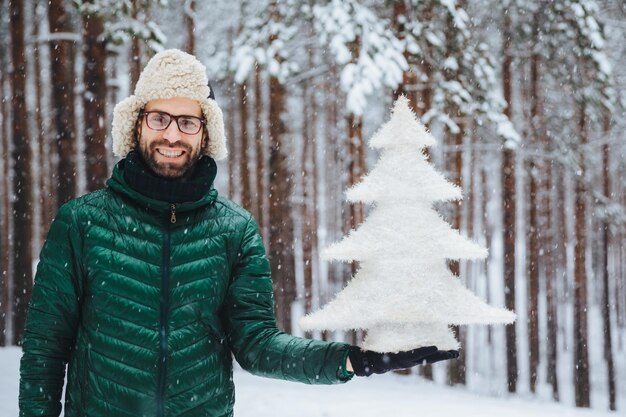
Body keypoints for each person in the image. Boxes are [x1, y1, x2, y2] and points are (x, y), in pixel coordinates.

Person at [18, 49, 458, 417]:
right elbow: (44, 352)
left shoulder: (234, 230)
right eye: (159, 118)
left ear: (205, 133)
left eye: (188, 122)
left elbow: (258, 345)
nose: (172, 134)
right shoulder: (81, 223)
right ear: (136, 124)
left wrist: (354, 360)